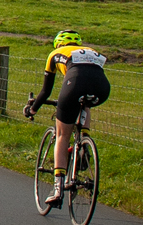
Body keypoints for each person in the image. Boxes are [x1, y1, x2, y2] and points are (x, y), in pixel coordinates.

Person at [24, 30, 110, 207]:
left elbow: (46, 91)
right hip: (102, 87)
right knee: (85, 101)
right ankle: (83, 142)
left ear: (58, 44)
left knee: (63, 136)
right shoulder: (90, 51)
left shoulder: (55, 54)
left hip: (75, 82)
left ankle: (57, 188)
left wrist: (32, 110)